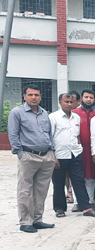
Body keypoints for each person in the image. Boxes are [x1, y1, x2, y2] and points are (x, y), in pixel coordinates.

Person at [9, 85, 58, 233]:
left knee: (41, 190)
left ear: (40, 96)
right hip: (28, 156)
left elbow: (49, 134)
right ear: (24, 96)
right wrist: (20, 153)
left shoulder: (44, 113)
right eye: (30, 95)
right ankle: (25, 221)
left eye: (36, 95)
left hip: (46, 157)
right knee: (25, 190)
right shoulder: (17, 113)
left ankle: (37, 220)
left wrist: (52, 153)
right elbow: (13, 134)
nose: (34, 97)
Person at [50, 93, 95, 218]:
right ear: (60, 102)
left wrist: (79, 149)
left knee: (79, 181)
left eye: (71, 102)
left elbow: (77, 136)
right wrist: (53, 156)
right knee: (58, 183)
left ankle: (85, 207)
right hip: (59, 155)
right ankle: (60, 208)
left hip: (75, 154)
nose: (69, 104)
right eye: (66, 101)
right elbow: (49, 137)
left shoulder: (76, 117)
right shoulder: (53, 117)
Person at [74, 90, 95, 203]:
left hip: (92, 150)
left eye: (91, 97)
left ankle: (89, 201)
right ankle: (77, 202)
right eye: (86, 97)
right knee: (77, 176)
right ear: (81, 99)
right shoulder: (74, 113)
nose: (88, 99)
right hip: (77, 150)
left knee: (91, 176)